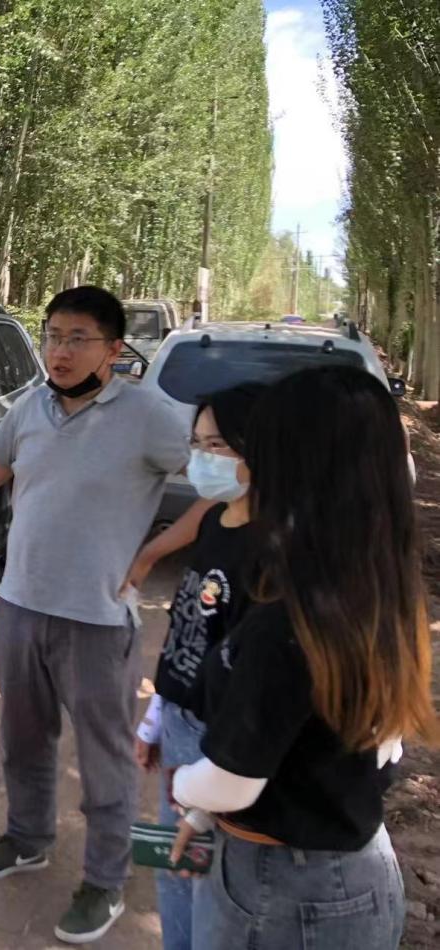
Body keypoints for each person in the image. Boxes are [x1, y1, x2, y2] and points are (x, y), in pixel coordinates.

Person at [0, 285, 191, 944]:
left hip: (97, 620)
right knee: (23, 739)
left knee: (105, 758)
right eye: (52, 336)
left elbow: (228, 479)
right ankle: (27, 838)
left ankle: (104, 881)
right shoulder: (31, 407)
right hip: (20, 606)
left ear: (114, 349)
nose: (59, 351)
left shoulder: (149, 415)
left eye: (77, 339)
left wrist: (154, 551)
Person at [170, 365, 438, 949]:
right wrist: (203, 815)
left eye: (260, 450)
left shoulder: (292, 620)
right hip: (343, 869)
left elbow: (233, 782)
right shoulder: (375, 588)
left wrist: (185, 788)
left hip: (284, 892)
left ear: (298, 466)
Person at [123, 384, 263, 950]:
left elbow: (259, 686)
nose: (203, 458)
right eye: (197, 444)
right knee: (178, 874)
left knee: (214, 885)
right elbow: (190, 632)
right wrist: (158, 716)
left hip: (224, 745)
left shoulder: (271, 554)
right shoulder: (215, 524)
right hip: (183, 728)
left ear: (261, 449)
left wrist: (204, 791)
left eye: (218, 446)